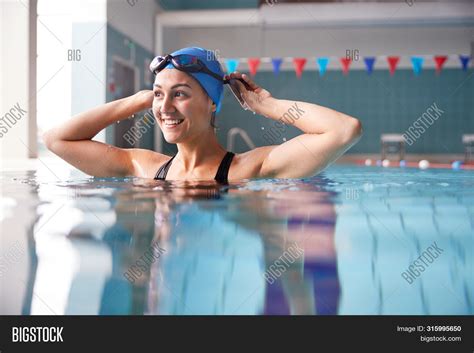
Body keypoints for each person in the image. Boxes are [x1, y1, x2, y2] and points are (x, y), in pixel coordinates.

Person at [43, 47, 362, 182]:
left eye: (179, 94)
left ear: (212, 102)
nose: (165, 108)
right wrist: (141, 100)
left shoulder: (249, 169)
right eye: (159, 94)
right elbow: (55, 139)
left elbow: (344, 130)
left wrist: (268, 105)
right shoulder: (143, 167)